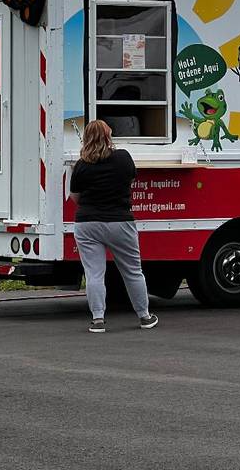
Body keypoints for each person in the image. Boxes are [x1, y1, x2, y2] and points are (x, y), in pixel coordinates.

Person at [70, 120, 158, 332]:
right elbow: (130, 179)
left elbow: (75, 197)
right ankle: (144, 316)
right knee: (133, 271)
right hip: (120, 221)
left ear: (87, 139)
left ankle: (98, 319)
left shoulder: (82, 165)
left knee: (94, 273)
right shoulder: (123, 158)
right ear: (108, 136)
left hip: (87, 223)